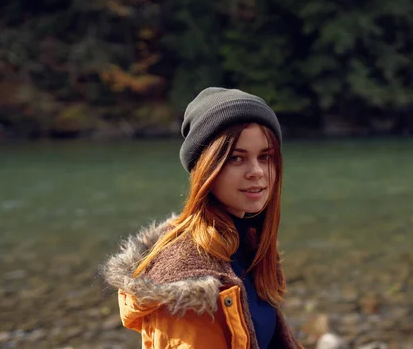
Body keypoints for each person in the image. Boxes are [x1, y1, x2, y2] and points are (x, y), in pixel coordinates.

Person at [102, 87, 301, 349]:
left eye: (265, 157)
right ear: (206, 168)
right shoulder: (187, 279)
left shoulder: (252, 244)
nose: (256, 172)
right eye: (236, 158)